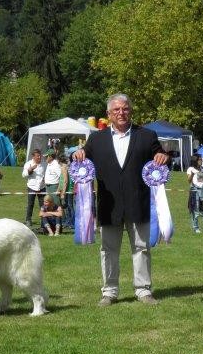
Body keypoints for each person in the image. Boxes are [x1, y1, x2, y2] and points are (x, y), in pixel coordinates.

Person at [72, 93, 169, 306]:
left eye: (125, 109)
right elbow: (83, 157)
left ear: (131, 111)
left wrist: (163, 157)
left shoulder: (148, 135)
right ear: (108, 114)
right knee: (108, 250)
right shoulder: (96, 138)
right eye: (116, 110)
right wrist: (78, 155)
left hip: (139, 202)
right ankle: (109, 292)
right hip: (109, 205)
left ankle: (143, 290)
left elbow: (161, 157)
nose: (121, 113)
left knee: (141, 248)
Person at [187, 155, 203, 233]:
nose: (201, 161)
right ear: (195, 160)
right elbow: (188, 180)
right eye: (200, 159)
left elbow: (201, 181)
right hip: (195, 192)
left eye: (201, 159)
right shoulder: (190, 169)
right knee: (195, 210)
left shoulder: (201, 169)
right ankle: (196, 228)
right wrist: (191, 174)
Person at [22, 149, 46, 227]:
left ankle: (44, 221)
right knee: (30, 204)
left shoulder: (44, 164)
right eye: (37, 156)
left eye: (40, 156)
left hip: (42, 187)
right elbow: (23, 175)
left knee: (43, 205)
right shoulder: (28, 164)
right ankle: (28, 220)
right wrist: (30, 170)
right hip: (31, 187)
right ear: (33, 156)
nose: (39, 157)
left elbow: (46, 174)